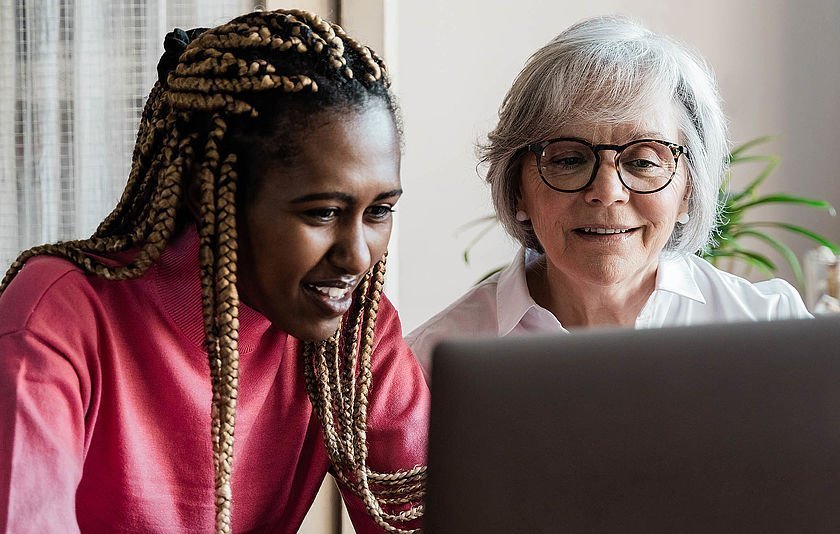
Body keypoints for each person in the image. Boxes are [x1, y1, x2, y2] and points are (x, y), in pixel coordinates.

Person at [0, 9, 427, 534]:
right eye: (323, 212)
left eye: (379, 211)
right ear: (208, 195)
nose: (358, 257)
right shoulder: (59, 316)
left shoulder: (355, 333)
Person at [407, 16, 811, 381]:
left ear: (688, 190)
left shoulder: (775, 329)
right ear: (517, 190)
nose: (607, 192)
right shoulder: (428, 368)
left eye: (643, 161)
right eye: (568, 159)